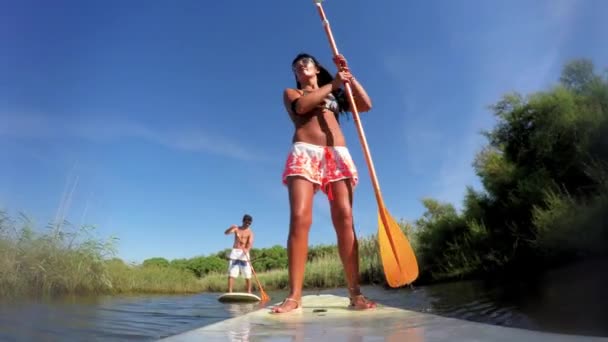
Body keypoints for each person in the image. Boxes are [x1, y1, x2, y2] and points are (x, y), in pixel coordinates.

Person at [270, 53, 377, 313]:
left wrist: (349, 76)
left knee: (345, 217)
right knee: (300, 217)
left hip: (337, 153)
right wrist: (334, 84)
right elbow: (303, 107)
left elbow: (365, 105)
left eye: (305, 62)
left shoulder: (336, 95)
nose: (300, 66)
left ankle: (355, 294)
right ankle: (294, 296)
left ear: (317, 68)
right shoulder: (292, 92)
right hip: (305, 151)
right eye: (296, 66)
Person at [224, 214, 254, 293]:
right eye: (246, 223)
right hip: (235, 252)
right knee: (232, 273)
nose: (247, 224)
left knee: (247, 274)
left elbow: (250, 243)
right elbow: (226, 233)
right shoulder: (236, 229)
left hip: (244, 253)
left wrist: (247, 250)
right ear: (243, 221)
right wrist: (231, 227)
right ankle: (230, 292)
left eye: (249, 223)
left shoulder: (250, 232)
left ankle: (249, 292)